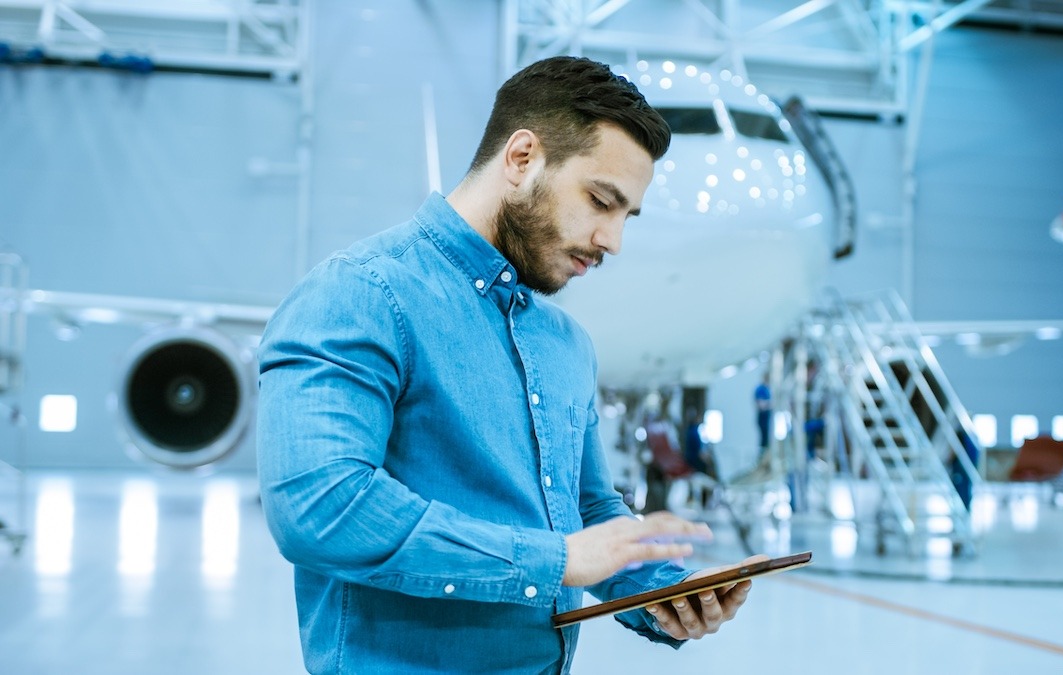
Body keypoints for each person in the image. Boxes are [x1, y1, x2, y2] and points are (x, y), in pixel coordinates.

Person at [256, 55, 762, 675]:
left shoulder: (566, 342)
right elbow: (321, 510)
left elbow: (586, 510)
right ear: (522, 159)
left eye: (626, 215)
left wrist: (661, 590)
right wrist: (553, 562)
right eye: (601, 201)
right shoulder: (360, 296)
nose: (613, 241)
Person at [755, 373, 772, 456]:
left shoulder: (767, 389)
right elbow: (761, 406)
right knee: (764, 439)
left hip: (768, 418)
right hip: (762, 418)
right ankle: (762, 456)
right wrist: (771, 404)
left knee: (767, 439)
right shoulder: (760, 389)